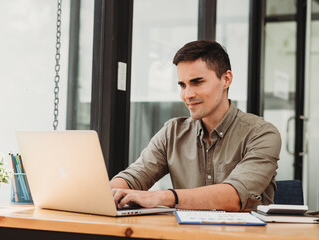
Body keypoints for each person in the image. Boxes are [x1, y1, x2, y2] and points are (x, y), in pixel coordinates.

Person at [110, 40, 281, 212]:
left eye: (197, 82)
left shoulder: (262, 134)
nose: (187, 95)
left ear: (226, 79)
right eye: (183, 85)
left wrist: (162, 197)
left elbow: (236, 195)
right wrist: (111, 193)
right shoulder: (172, 133)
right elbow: (134, 177)